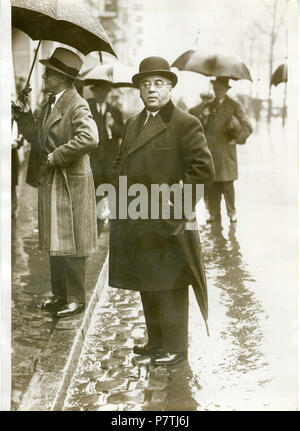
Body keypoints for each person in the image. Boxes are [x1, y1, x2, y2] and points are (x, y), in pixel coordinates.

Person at [109, 56, 215, 365]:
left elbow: (202, 171)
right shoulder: (132, 123)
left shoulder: (184, 123)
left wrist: (175, 208)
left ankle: (175, 348)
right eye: (145, 84)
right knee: (148, 283)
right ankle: (156, 343)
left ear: (169, 87)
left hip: (169, 223)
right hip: (137, 220)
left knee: (170, 285)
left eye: (158, 84)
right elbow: (120, 162)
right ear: (139, 91)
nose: (151, 90)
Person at [12, 47, 99, 318]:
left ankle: (76, 298)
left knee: (71, 241)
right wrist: (23, 115)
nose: (45, 76)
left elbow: (90, 138)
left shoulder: (76, 103)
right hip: (54, 180)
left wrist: (57, 156)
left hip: (71, 182)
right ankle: (60, 294)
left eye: (49, 73)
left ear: (62, 77)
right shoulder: (50, 103)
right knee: (55, 238)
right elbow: (38, 140)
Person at [193, 77, 253, 224]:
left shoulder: (234, 105)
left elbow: (248, 127)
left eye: (220, 89)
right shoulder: (209, 106)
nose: (217, 91)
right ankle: (214, 214)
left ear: (226, 89)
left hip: (226, 152)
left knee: (227, 184)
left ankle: (232, 213)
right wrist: (204, 116)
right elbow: (200, 126)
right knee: (213, 184)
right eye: (215, 89)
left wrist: (237, 139)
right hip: (211, 151)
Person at [87, 78, 124, 190]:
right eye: (98, 91)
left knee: (109, 190)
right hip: (92, 159)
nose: (101, 95)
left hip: (109, 159)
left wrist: (112, 124)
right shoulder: (87, 109)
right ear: (94, 92)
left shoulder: (115, 112)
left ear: (108, 93)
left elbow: (123, 133)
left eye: (104, 92)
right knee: (92, 189)